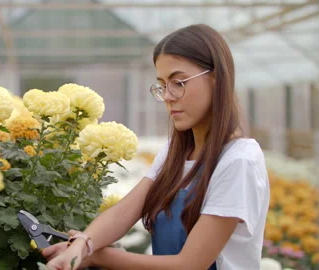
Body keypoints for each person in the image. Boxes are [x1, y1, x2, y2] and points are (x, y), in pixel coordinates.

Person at [42, 24, 270, 270]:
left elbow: (190, 264)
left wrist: (97, 256)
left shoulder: (239, 161)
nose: (169, 96)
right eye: (162, 85)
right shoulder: (176, 152)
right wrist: (82, 243)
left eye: (179, 82)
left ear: (215, 79)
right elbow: (125, 211)